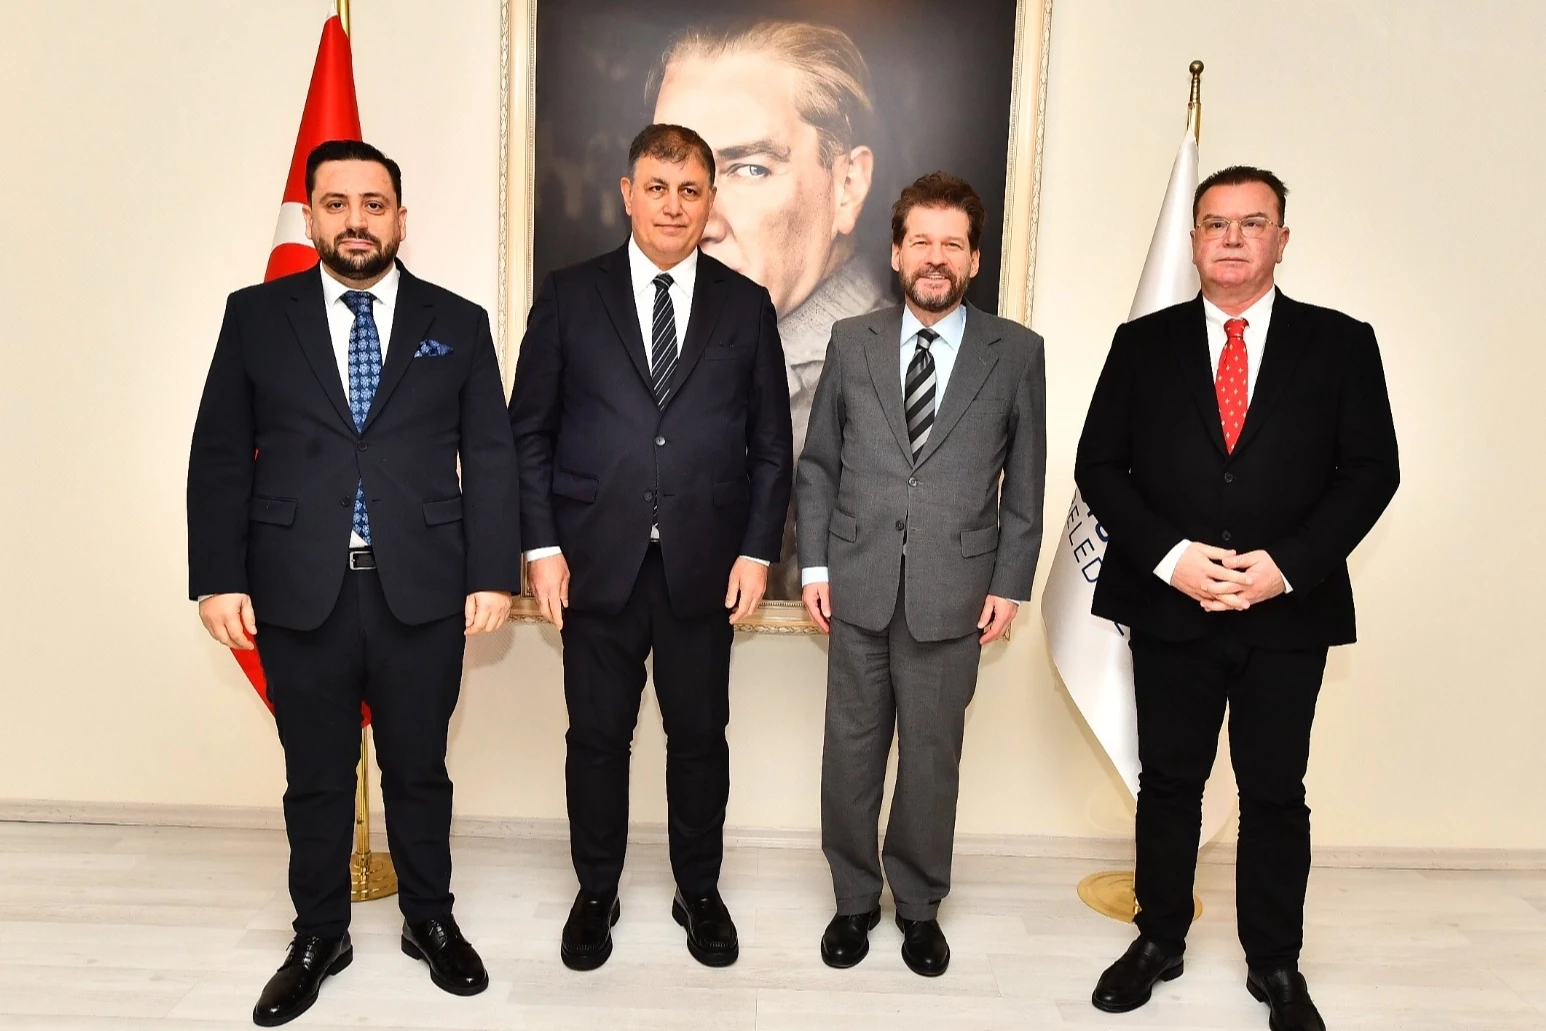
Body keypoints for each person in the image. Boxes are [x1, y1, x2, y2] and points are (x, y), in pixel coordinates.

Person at [187, 140, 519, 1026]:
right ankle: (318, 934)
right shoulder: (256, 316)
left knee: (420, 769)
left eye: (374, 204)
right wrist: (217, 577)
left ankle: (429, 918)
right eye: (336, 204)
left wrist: (493, 572)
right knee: (316, 776)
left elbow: (490, 455)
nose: (357, 221)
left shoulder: (458, 321)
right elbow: (219, 453)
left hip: (424, 586)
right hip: (297, 587)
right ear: (310, 217)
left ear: (401, 217)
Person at [1075, 166, 1399, 1031]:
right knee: (1168, 782)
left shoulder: (1341, 344)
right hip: (1170, 606)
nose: (1231, 237)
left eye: (1252, 223)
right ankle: (1159, 939)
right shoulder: (1141, 343)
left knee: (1275, 790)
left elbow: (1373, 471)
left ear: (1281, 240)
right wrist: (1172, 558)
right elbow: (1099, 465)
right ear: (1193, 241)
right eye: (1215, 223)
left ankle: (1276, 963)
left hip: (1288, 613)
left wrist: (1287, 566)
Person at [508, 124, 793, 971]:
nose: (673, 205)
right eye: (657, 187)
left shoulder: (745, 306)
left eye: (690, 190)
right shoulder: (570, 295)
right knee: (597, 738)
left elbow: (772, 448)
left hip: (705, 569)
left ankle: (697, 889)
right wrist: (541, 544)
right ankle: (596, 890)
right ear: (628, 195)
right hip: (594, 565)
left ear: (710, 202)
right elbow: (529, 433)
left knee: (699, 738)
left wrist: (756, 551)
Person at [796, 172, 1046, 976]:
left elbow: (1026, 486)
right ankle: (853, 899)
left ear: (974, 259)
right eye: (922, 242)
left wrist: (1009, 582)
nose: (936, 257)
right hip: (857, 584)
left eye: (953, 244)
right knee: (850, 753)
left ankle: (919, 904)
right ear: (897, 252)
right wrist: (815, 563)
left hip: (955, 593)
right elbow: (819, 465)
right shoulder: (851, 342)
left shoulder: (1017, 353)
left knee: (932, 759)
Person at [650, 20, 886, 598]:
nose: (694, 217)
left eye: (749, 168)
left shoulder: (888, 387)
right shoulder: (644, 346)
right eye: (673, 173)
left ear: (847, 185)